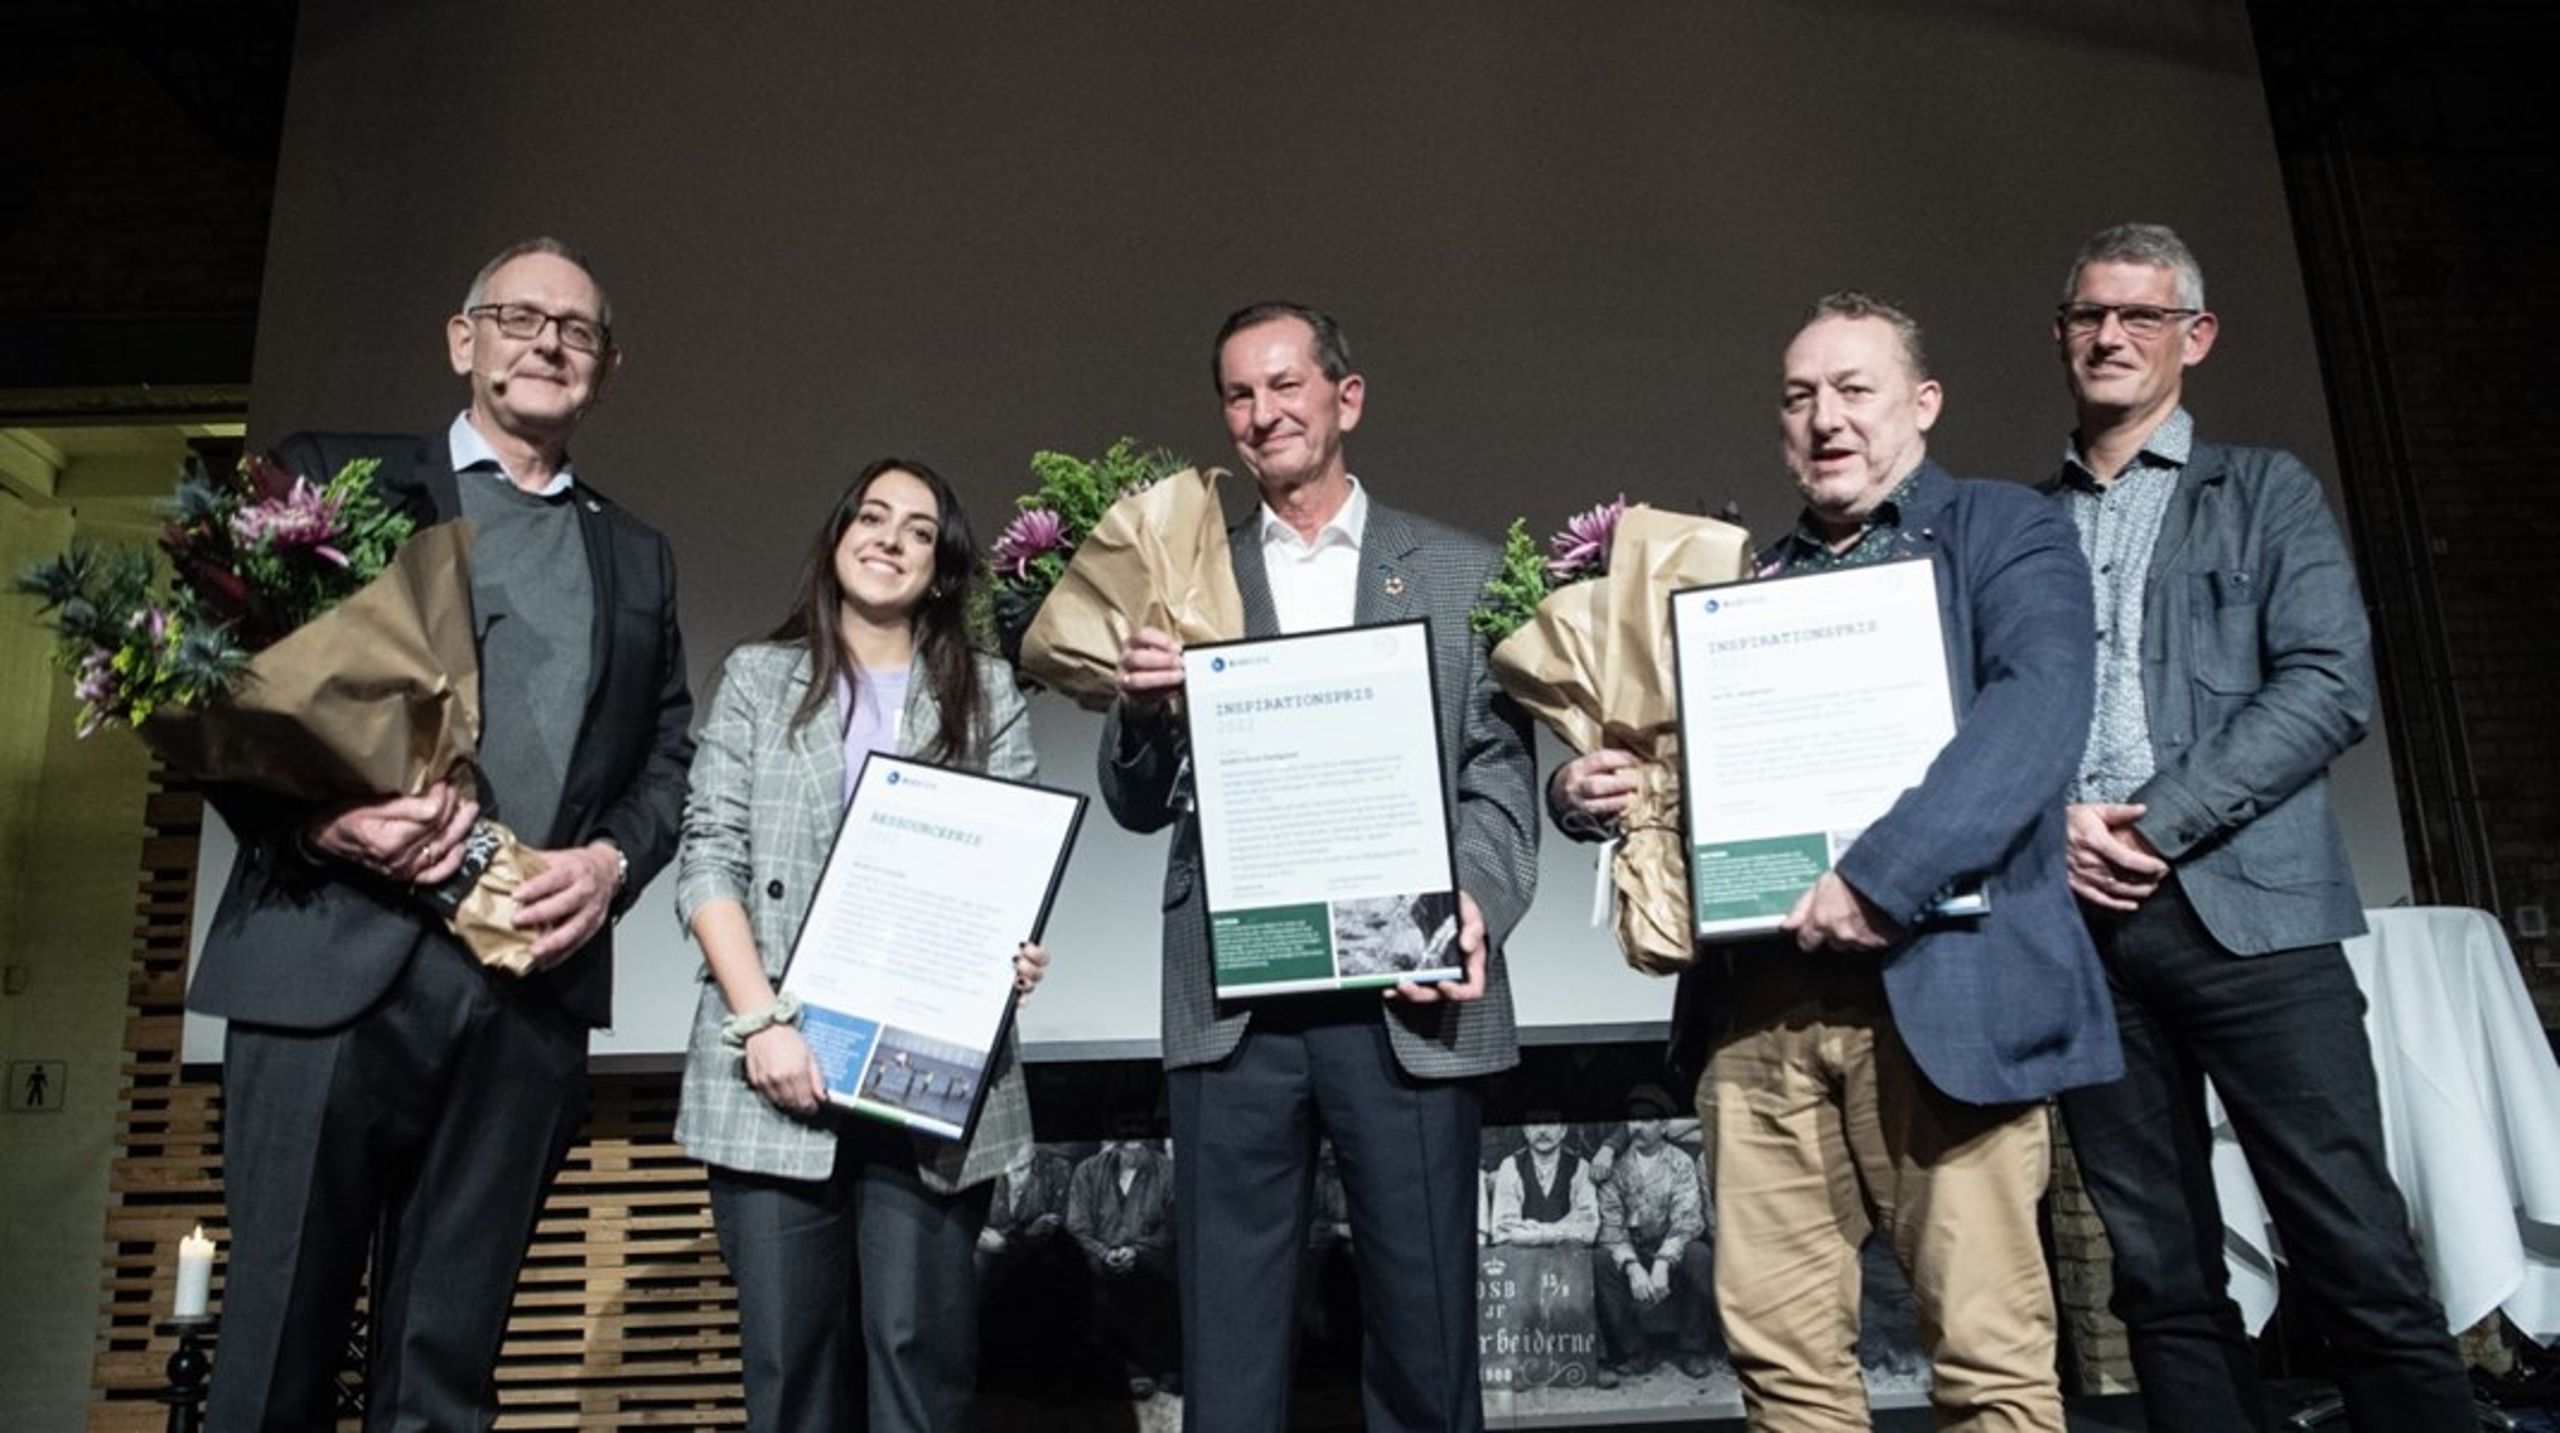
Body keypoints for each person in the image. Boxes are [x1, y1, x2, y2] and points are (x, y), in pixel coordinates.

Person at [1552, 292, 2121, 1431]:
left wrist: (1880, 874)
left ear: (1922, 403)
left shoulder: (2005, 532)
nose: (1825, 418)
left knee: (1991, 1364)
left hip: (1944, 1002)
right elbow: (1665, 768)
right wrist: (1586, 790)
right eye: (1801, 394)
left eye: (1854, 389)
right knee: (1785, 1375)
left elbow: (2037, 712)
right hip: (1756, 1017)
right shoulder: (1738, 584)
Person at [192, 237, 695, 1429]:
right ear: (461, 340)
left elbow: (667, 753)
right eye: (518, 316)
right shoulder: (337, 477)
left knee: (445, 1369)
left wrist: (613, 862)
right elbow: (216, 693)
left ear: (604, 367)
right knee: (274, 1353)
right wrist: (327, 818)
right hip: (331, 961)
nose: (546, 341)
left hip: (521, 993)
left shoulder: (637, 553)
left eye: (574, 329)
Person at [2042, 223, 2474, 1431]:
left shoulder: (2266, 488)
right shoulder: (2021, 528)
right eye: (2089, 314)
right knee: (2160, 1276)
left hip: (2257, 919)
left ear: (2196, 335)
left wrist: (2158, 822)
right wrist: (2051, 827)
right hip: (2083, 934)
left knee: (2356, 1249)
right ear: (2060, 334)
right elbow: (1990, 717)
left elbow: (2329, 682)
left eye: (2139, 314)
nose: (2111, 335)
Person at [1099, 301, 1540, 1432]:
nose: (1262, 413)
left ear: (1346, 398)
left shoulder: (1455, 569)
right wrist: (1143, 713)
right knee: (1230, 1349)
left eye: (1285, 385)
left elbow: (1496, 778)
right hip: (1236, 998)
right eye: (1239, 395)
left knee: (1426, 1335)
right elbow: (1136, 800)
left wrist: (1476, 904)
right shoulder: (1185, 577)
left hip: (1404, 986)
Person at [672, 457, 1051, 1432]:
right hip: (774, 1062)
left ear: (942, 564)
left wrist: (1010, 950)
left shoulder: (988, 690)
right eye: (871, 517)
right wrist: (762, 1020)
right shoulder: (760, 679)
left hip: (929, 1072)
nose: (889, 538)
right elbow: (708, 855)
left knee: (916, 1363)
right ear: (837, 537)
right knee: (792, 1372)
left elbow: (1006, 864)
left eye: (918, 528)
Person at [1591, 1086, 1716, 1386]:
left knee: (1700, 1255)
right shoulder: (1616, 1168)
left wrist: (1662, 1262)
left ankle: (1692, 1349)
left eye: (1648, 1120)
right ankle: (1635, 1351)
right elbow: (1611, 1226)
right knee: (1600, 1260)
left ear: (1663, 1126)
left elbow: (1687, 1221)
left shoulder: (1680, 1163)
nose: (1638, 1127)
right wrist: (1633, 1267)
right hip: (1633, 1253)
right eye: (1633, 1120)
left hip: (1670, 1251)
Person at [1067, 1136, 1181, 1399]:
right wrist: (1105, 1253)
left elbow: (1172, 1229)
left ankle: (1156, 1366)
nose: (1133, 1140)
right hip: (1099, 1263)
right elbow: (1077, 1229)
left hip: (1150, 1265)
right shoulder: (1088, 1171)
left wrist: (1136, 1252)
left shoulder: (1168, 1173)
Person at [1487, 1117, 1600, 1250]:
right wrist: (1562, 1230)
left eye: (1550, 1123)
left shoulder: (1581, 1167)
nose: (1542, 1130)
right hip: (1522, 1257)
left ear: (1563, 1130)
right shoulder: (1510, 1166)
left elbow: (1587, 1229)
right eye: (1535, 1124)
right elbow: (1503, 1231)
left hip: (1567, 1257)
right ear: (1525, 1131)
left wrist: (1540, 1233)